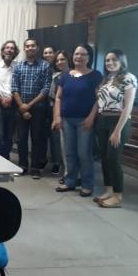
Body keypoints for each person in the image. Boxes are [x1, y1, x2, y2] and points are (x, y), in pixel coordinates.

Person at [53, 44, 102, 196]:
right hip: (67, 119)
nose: (79, 57)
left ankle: (87, 184)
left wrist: (91, 118)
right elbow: (58, 97)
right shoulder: (66, 75)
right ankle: (70, 181)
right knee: (69, 152)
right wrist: (57, 117)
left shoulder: (95, 75)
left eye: (83, 54)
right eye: (76, 54)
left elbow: (98, 99)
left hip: (84, 120)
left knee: (84, 153)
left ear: (89, 57)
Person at [94, 50, 137, 208]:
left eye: (113, 59)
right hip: (102, 120)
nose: (110, 63)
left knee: (113, 158)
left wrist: (117, 130)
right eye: (107, 60)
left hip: (118, 121)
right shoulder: (107, 79)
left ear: (121, 61)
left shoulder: (129, 78)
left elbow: (128, 107)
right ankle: (108, 190)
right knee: (104, 157)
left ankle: (117, 196)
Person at [11, 38, 51, 179]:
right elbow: (14, 88)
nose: (30, 48)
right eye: (27, 46)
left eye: (33, 45)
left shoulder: (45, 66)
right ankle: (22, 166)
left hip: (38, 107)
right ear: (24, 48)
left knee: (37, 138)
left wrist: (29, 105)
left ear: (37, 48)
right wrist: (22, 105)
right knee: (21, 139)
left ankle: (35, 168)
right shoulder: (18, 66)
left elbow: (46, 88)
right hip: (20, 107)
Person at [0, 40, 19, 160]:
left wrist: (11, 98)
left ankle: (6, 157)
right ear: (3, 51)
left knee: (10, 134)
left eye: (12, 48)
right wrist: (1, 99)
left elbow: (20, 85)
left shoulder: (18, 67)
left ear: (15, 52)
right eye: (7, 48)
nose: (9, 50)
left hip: (13, 102)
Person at [49, 50, 71, 184]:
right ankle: (68, 173)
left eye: (62, 59)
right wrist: (55, 118)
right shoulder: (56, 78)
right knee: (64, 147)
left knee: (76, 149)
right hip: (61, 115)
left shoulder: (75, 75)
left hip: (75, 115)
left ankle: (76, 174)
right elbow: (53, 99)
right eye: (57, 60)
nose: (59, 62)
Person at [43, 45, 60, 174]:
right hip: (42, 107)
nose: (48, 54)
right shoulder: (42, 68)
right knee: (42, 136)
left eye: (50, 52)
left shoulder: (60, 71)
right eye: (45, 53)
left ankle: (56, 162)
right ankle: (43, 159)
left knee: (55, 137)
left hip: (55, 107)